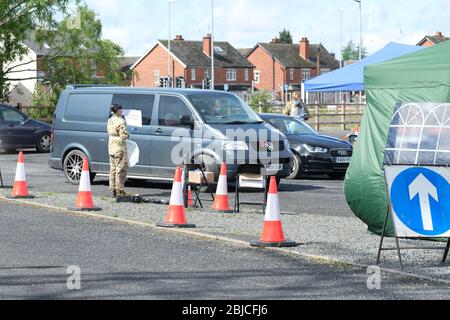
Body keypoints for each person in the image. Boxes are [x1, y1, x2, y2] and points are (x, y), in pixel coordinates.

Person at [107, 103, 130, 198]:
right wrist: (128, 135)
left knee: (112, 168)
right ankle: (119, 190)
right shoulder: (121, 121)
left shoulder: (110, 120)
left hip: (111, 146)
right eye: (121, 109)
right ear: (118, 110)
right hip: (119, 147)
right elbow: (123, 135)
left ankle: (112, 188)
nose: (122, 111)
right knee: (121, 168)